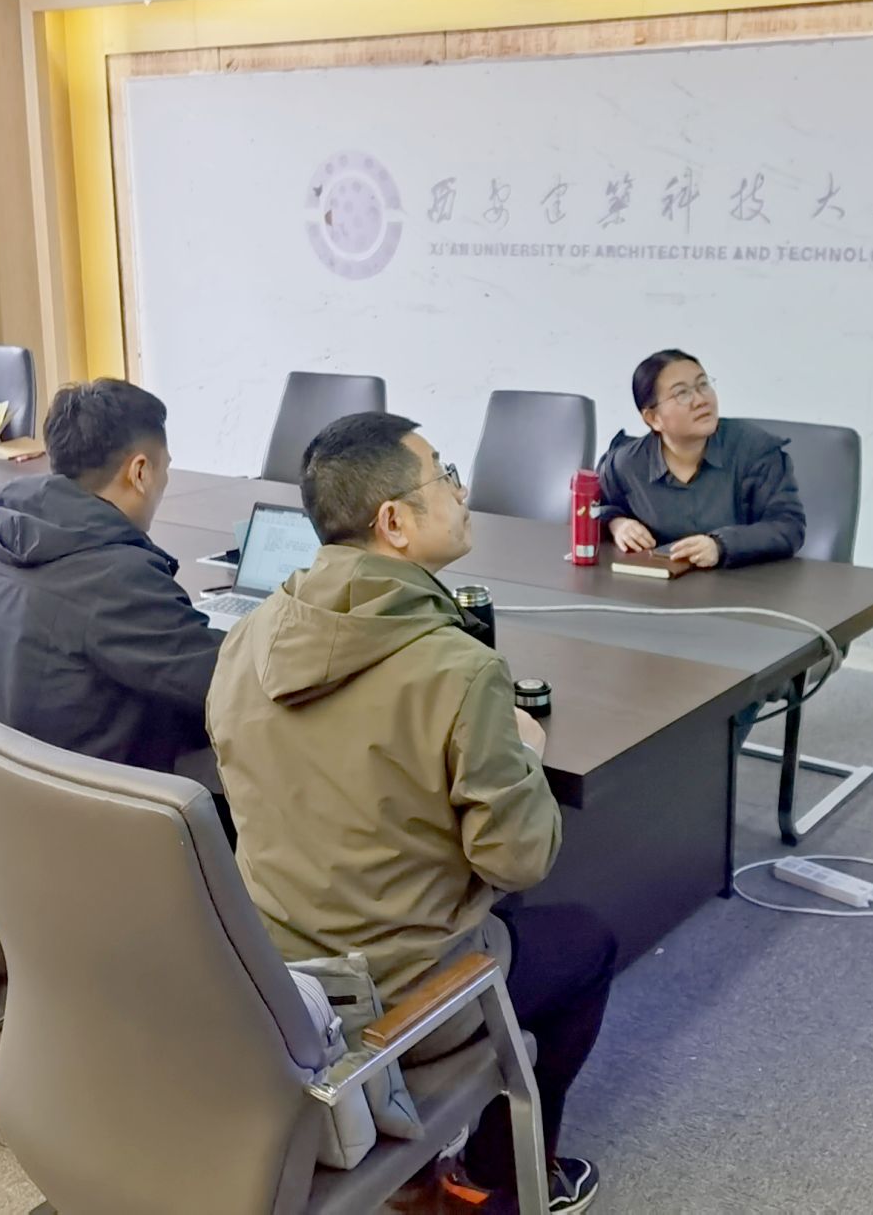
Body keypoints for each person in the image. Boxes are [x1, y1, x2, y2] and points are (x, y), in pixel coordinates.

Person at [207, 411, 608, 1215]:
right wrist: (522, 751)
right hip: (395, 994)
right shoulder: (460, 668)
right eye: (445, 475)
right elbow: (518, 859)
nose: (461, 490)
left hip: (273, 979)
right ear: (393, 521)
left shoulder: (249, 635)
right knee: (587, 942)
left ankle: (428, 1169)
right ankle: (490, 1178)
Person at [0, 379, 220, 777]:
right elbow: (221, 681)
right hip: (70, 803)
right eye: (165, 467)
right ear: (140, 472)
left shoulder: (7, 527)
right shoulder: (115, 573)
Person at [597, 349, 806, 569]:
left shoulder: (753, 450)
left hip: (743, 582)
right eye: (682, 393)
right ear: (653, 418)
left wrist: (721, 546)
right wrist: (616, 524)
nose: (700, 400)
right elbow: (595, 509)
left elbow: (788, 527)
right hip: (660, 583)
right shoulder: (626, 464)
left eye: (703, 385)